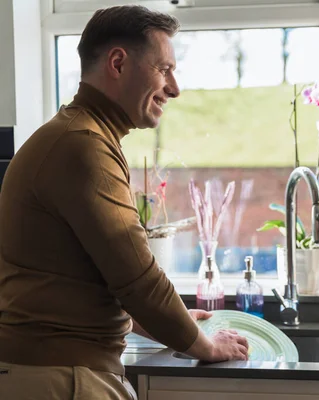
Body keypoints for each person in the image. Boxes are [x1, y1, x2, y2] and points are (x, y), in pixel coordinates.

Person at [0, 5, 248, 399]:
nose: (174, 88)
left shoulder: (76, 135)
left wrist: (175, 321)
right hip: (64, 379)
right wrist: (206, 345)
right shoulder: (84, 147)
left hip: (52, 371)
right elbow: (138, 281)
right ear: (118, 62)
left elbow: (95, 282)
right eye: (164, 69)